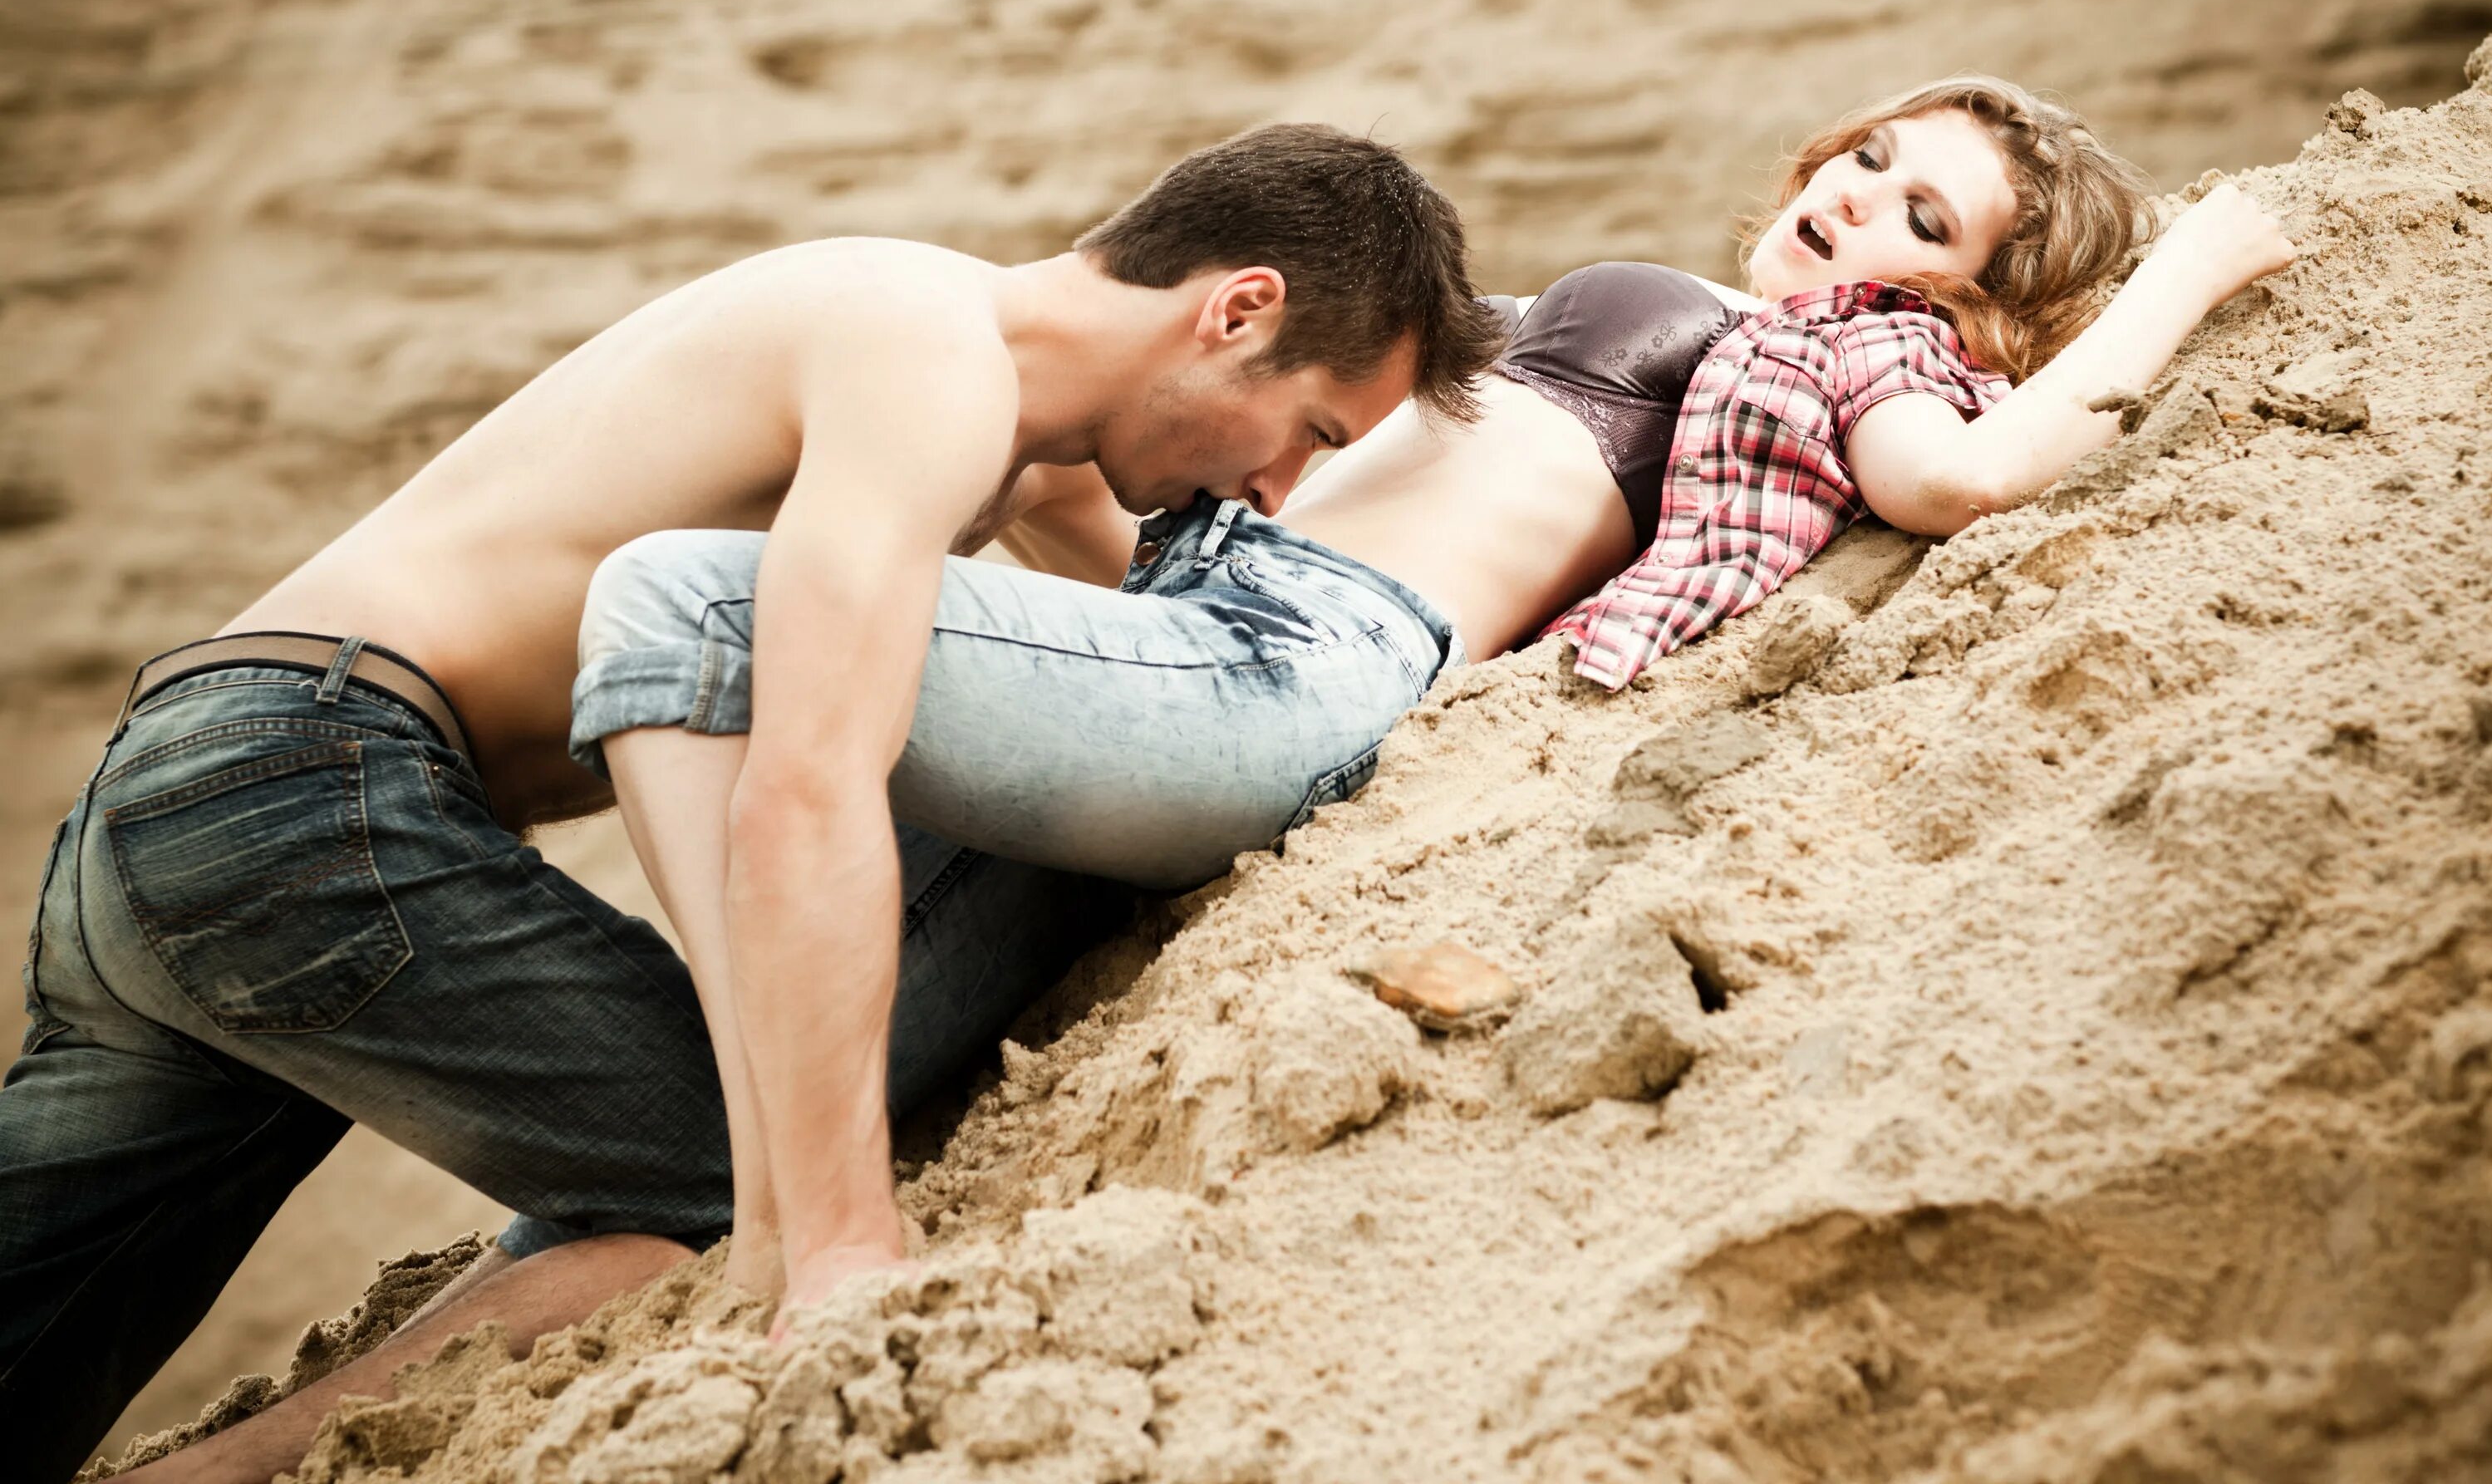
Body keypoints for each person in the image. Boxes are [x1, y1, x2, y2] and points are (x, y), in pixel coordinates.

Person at [564, 73, 2293, 1310]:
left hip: (1298, 664)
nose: (1859, 199)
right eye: (1871, 153)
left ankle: (826, 1241)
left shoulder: (1854, 344)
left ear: (1979, 311)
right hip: (1199, 645)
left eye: (1929, 219)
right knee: (628, 1190)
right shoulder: (1693, 310)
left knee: (678, 601)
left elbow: (1958, 483)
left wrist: (2180, 279)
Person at [0, 124, 1506, 1484]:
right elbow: (804, 781)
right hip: (310, 799)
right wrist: (840, 1242)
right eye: (1312, 432)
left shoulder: (978, 393)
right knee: (757, 1159)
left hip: (179, 797)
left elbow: (1148, 657)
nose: (1279, 493)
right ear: (1236, 310)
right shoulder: (929, 361)